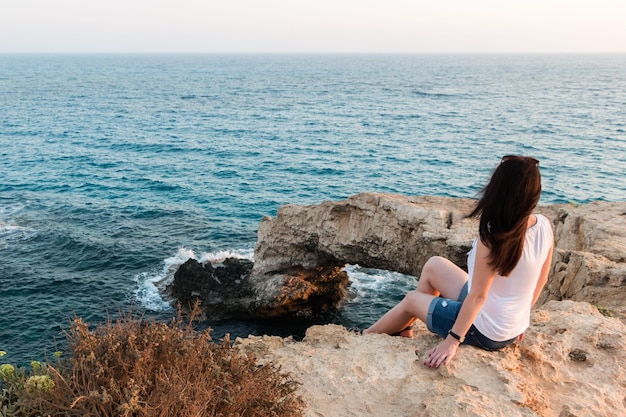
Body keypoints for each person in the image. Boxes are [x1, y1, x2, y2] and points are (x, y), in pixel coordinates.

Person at [362, 155, 554, 368]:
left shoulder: (492, 237)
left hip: (485, 331)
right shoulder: (544, 225)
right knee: (434, 265)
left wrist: (452, 341)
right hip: (509, 325)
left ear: (498, 189)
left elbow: (479, 296)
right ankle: (404, 329)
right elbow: (541, 279)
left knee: (411, 299)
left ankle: (363, 337)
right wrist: (519, 321)